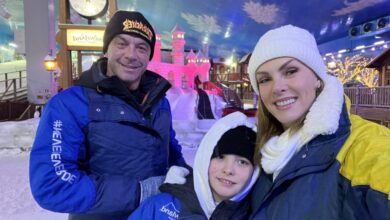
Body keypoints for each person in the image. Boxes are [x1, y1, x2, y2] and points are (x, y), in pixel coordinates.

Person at [29, 10, 186, 220]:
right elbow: (52, 184)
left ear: (149, 56)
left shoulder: (160, 103)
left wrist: (194, 180)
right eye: (122, 44)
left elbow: (172, 153)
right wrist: (140, 192)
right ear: (106, 50)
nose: (131, 55)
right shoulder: (70, 104)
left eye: (141, 47)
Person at [247, 25, 390, 219]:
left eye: (290, 71)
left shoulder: (366, 145)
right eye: (264, 80)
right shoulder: (262, 148)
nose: (277, 87)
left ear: (317, 78)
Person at [128, 111, 260, 219]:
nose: (228, 170)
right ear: (205, 159)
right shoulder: (159, 207)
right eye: (220, 157)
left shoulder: (260, 215)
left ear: (254, 171)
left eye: (242, 162)